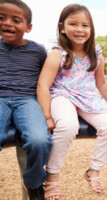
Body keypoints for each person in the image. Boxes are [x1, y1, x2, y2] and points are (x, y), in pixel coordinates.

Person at [37, 4, 107, 200]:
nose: (80, 29)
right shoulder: (58, 53)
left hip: (88, 96)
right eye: (73, 24)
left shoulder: (96, 54)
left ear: (91, 29)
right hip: (62, 95)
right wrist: (48, 116)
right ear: (63, 27)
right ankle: (52, 174)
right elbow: (43, 85)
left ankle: (94, 170)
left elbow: (102, 84)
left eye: (85, 25)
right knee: (68, 126)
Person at [0, 0, 52, 199]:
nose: (7, 23)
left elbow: (44, 81)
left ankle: (34, 182)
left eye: (16, 20)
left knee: (40, 140)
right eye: (1, 18)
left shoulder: (38, 51)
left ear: (28, 27)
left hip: (27, 99)